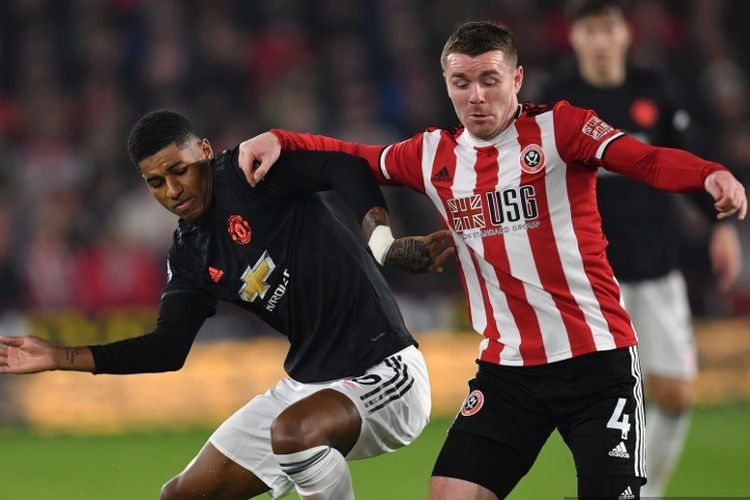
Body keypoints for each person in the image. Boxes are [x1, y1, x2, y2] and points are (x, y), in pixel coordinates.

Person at [237, 20, 747, 500]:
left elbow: (646, 158)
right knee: (451, 493)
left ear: (517, 78)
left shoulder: (561, 129)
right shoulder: (432, 154)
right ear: (446, 82)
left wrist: (707, 174)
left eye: (489, 80)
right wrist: (281, 139)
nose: (476, 97)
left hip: (596, 363)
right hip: (509, 372)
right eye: (461, 83)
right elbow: (352, 157)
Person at [0, 110, 452, 500]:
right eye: (156, 183)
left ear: (203, 150)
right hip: (307, 386)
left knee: (294, 435)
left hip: (385, 370)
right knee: (182, 495)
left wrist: (382, 244)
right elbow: (167, 348)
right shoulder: (190, 253)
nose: (172, 190)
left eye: (179, 169)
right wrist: (59, 357)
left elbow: (343, 168)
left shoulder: (252, 172)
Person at [537, 1, 743, 496]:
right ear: (576, 37)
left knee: (673, 395)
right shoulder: (556, 100)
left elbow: (680, 162)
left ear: (626, 34)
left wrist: (719, 225)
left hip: (655, 265)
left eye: (609, 29)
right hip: (589, 275)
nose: (602, 40)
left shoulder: (656, 90)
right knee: (604, 399)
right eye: (591, 30)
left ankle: (644, 493)